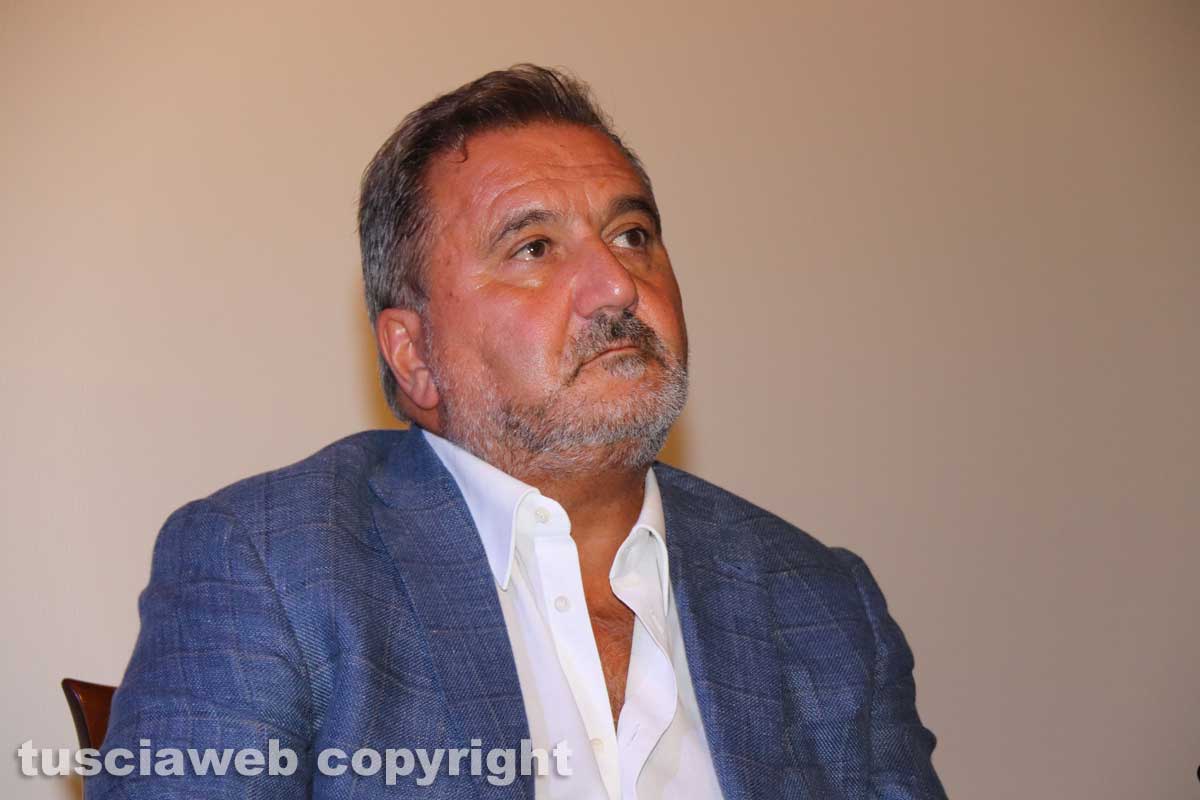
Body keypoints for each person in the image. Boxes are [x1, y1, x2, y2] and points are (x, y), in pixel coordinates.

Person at [91, 64, 946, 799]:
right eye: (534, 247)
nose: (616, 285)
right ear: (414, 354)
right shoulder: (274, 568)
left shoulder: (821, 604)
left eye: (632, 235)